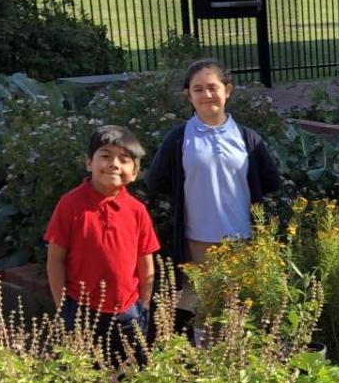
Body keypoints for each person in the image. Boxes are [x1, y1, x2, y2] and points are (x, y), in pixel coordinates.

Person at [146, 59, 282, 338]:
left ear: (227, 90)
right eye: (198, 89)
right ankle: (207, 366)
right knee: (203, 307)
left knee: (241, 305)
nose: (207, 95)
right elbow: (156, 181)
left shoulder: (246, 138)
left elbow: (269, 181)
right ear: (188, 96)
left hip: (242, 238)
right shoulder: (179, 139)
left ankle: (238, 361)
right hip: (198, 239)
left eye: (213, 87)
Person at [44, 125, 159, 365]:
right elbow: (56, 259)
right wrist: (63, 307)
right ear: (89, 162)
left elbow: (145, 261)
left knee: (131, 379)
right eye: (105, 155)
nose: (114, 164)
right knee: (86, 381)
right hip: (81, 311)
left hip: (128, 313)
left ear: (134, 172)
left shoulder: (137, 210)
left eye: (124, 159)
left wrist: (144, 305)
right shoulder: (71, 204)